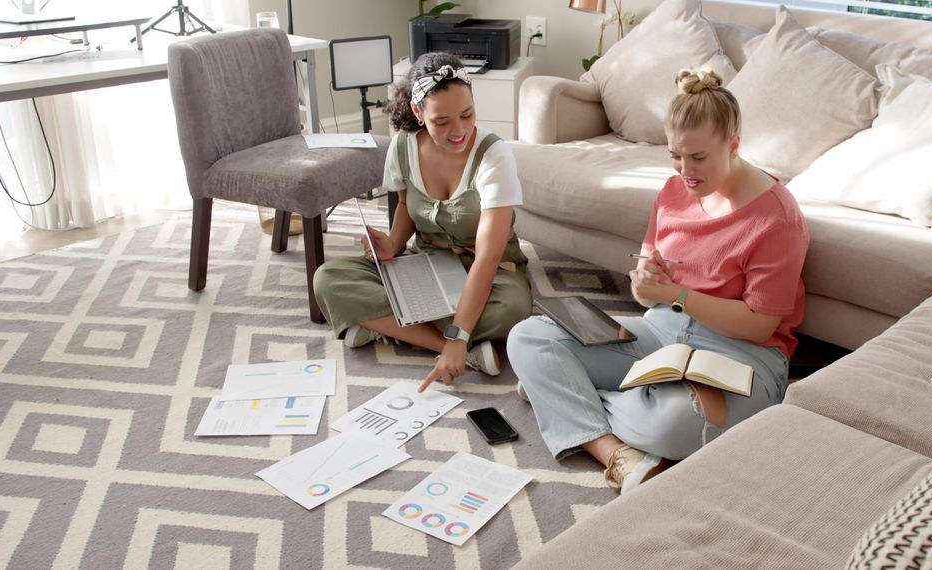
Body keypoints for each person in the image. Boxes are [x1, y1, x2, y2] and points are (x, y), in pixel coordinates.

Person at [506, 67, 810, 494]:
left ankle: (559, 392)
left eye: (699, 158)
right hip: (662, 331)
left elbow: (760, 325)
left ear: (734, 144)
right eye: (675, 154)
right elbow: (644, 286)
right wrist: (646, 283)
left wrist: (677, 294)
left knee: (674, 424)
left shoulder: (776, 217)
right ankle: (614, 453)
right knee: (527, 338)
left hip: (743, 356)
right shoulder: (673, 190)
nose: (685, 170)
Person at [313, 52, 532, 391]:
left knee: (514, 310)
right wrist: (392, 244)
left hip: (487, 270)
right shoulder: (403, 145)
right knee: (328, 279)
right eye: (442, 122)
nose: (458, 130)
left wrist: (460, 332)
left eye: (467, 114)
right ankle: (451, 347)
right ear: (418, 113)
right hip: (426, 264)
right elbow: (404, 205)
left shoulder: (494, 155)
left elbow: (488, 258)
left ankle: (388, 324)